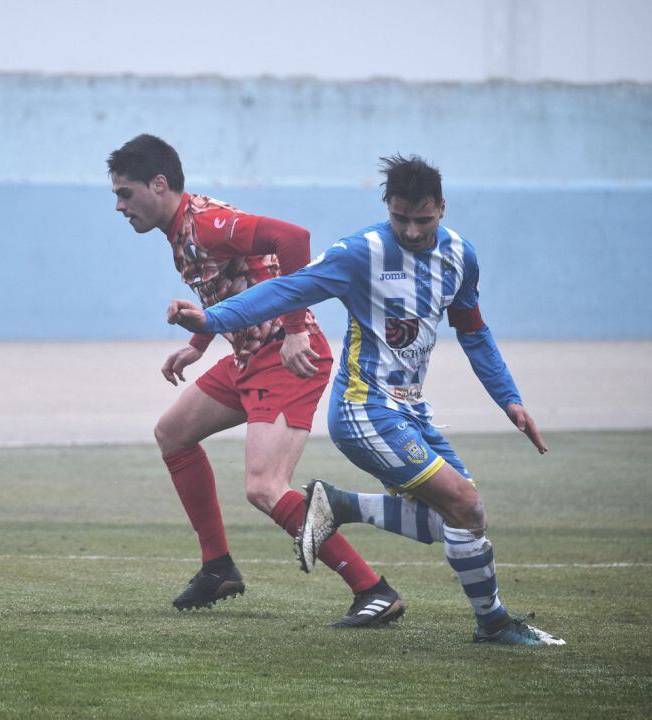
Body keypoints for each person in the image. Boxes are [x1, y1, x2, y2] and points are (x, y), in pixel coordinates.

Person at [166, 154, 565, 646]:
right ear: (387, 207)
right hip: (364, 409)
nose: (413, 231)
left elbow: (474, 332)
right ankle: (495, 623)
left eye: (424, 219)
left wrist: (509, 399)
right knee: (464, 500)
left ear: (442, 207)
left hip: (412, 411)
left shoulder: (461, 255)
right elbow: (285, 291)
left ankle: (340, 506)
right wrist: (209, 323)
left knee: (464, 518)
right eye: (401, 218)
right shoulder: (360, 253)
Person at [107, 134, 403, 627]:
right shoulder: (180, 232)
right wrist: (198, 344)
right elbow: (237, 282)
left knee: (265, 487)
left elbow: (293, 239)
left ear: (159, 184)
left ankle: (373, 589)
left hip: (287, 357)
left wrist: (292, 330)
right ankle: (217, 567)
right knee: (172, 433)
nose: (119, 206)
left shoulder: (204, 222)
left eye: (125, 193)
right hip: (249, 356)